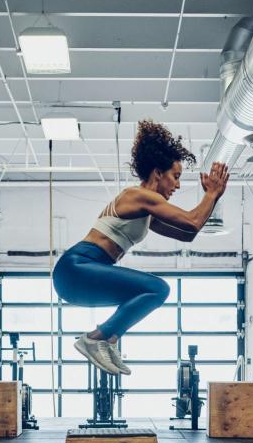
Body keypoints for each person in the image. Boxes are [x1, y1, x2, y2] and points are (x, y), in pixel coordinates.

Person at [52, 120, 230, 375]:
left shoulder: (147, 210)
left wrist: (212, 199)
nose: (177, 185)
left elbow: (187, 236)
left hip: (83, 274)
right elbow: (192, 222)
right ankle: (95, 339)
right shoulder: (138, 196)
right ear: (158, 173)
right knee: (158, 288)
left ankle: (109, 340)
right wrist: (211, 194)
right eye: (175, 176)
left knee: (144, 294)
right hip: (76, 268)